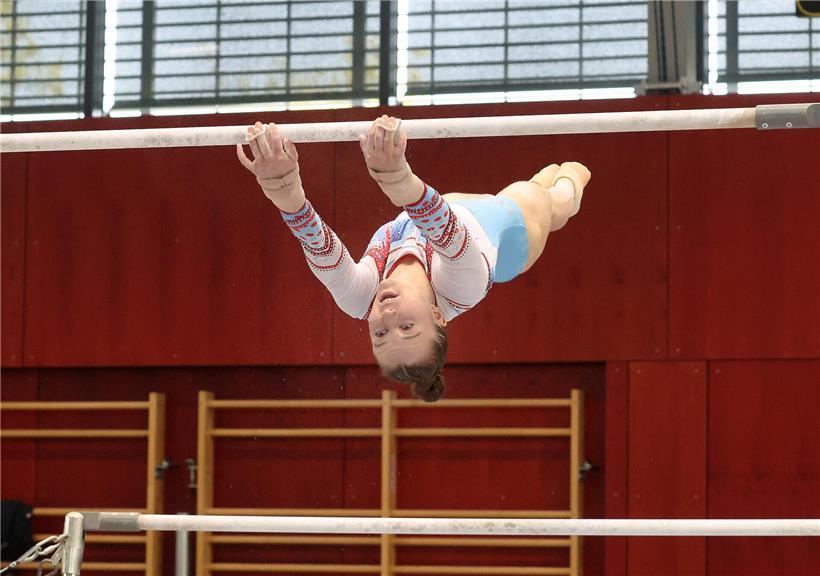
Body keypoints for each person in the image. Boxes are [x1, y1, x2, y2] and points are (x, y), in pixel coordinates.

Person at [237, 116, 590, 402]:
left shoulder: (360, 297)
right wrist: (395, 177)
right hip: (510, 235)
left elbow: (319, 247)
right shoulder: (461, 288)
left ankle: (553, 184)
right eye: (407, 327)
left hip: (460, 208)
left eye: (380, 333)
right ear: (437, 316)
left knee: (540, 181)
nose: (388, 317)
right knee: (551, 196)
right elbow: (440, 225)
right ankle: (571, 186)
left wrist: (282, 186)